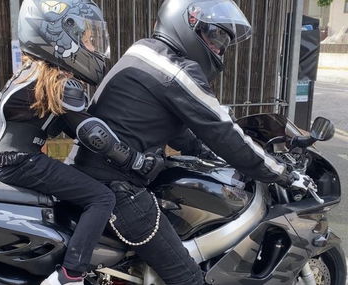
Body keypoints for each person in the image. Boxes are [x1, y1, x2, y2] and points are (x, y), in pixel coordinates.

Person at [68, 0, 314, 284]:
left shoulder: (144, 53)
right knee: (188, 278)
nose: (219, 48)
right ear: (188, 24)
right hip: (121, 192)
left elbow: (172, 127)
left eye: (224, 42)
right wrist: (281, 173)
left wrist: (205, 152)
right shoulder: (173, 69)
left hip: (93, 177)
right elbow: (222, 129)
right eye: (215, 36)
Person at [0, 1, 162, 285]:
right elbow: (94, 134)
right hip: (21, 162)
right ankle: (71, 274)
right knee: (101, 197)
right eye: (88, 39)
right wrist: (135, 160)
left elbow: (71, 126)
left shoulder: (35, 74)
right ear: (59, 36)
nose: (93, 46)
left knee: (79, 187)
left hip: (11, 160)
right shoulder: (59, 82)